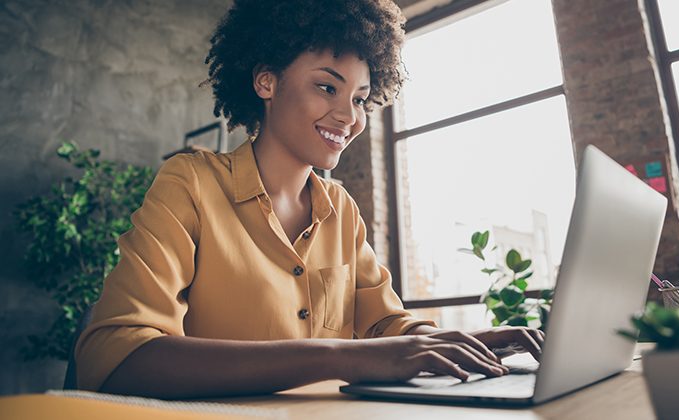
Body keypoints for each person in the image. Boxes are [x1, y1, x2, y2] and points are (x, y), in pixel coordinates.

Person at [75, 0, 545, 399]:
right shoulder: (190, 184)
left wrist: (455, 342)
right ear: (266, 83)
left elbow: (385, 326)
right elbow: (118, 357)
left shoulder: (341, 210)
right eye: (327, 87)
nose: (349, 116)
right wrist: (341, 355)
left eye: (360, 99)